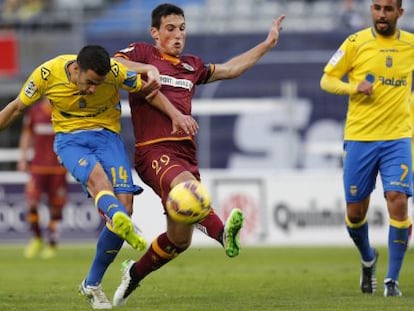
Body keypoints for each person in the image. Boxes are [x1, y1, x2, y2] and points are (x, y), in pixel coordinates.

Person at [111, 3, 285, 306]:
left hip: (185, 153)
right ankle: (222, 235)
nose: (178, 35)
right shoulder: (143, 53)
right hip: (154, 150)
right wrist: (147, 69)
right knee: (186, 190)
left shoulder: (192, 65)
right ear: (155, 33)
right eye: (170, 29)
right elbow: (113, 63)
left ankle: (134, 274)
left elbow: (230, 69)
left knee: (180, 240)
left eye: (182, 29)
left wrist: (266, 45)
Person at [0, 44, 198, 310]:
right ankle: (116, 219)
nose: (93, 89)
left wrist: (176, 114)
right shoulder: (47, 74)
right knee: (98, 181)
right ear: (76, 69)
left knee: (126, 204)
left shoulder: (116, 72)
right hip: (71, 141)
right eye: (90, 82)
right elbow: (15, 108)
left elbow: (149, 91)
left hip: (107, 138)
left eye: (99, 83)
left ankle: (91, 282)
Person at [320, 0, 413, 297]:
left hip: (398, 138)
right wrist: (353, 87)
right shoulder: (355, 42)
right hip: (360, 138)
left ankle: (391, 282)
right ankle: (368, 258)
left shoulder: (411, 44)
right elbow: (327, 79)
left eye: (388, 9)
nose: (381, 14)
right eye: (376, 8)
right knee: (355, 213)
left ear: (400, 12)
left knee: (398, 200)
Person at [18, 97, 68, 259]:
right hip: (38, 166)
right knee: (31, 201)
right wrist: (23, 157)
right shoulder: (34, 111)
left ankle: (52, 243)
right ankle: (37, 238)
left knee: (56, 206)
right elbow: (27, 134)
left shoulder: (64, 110)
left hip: (58, 167)